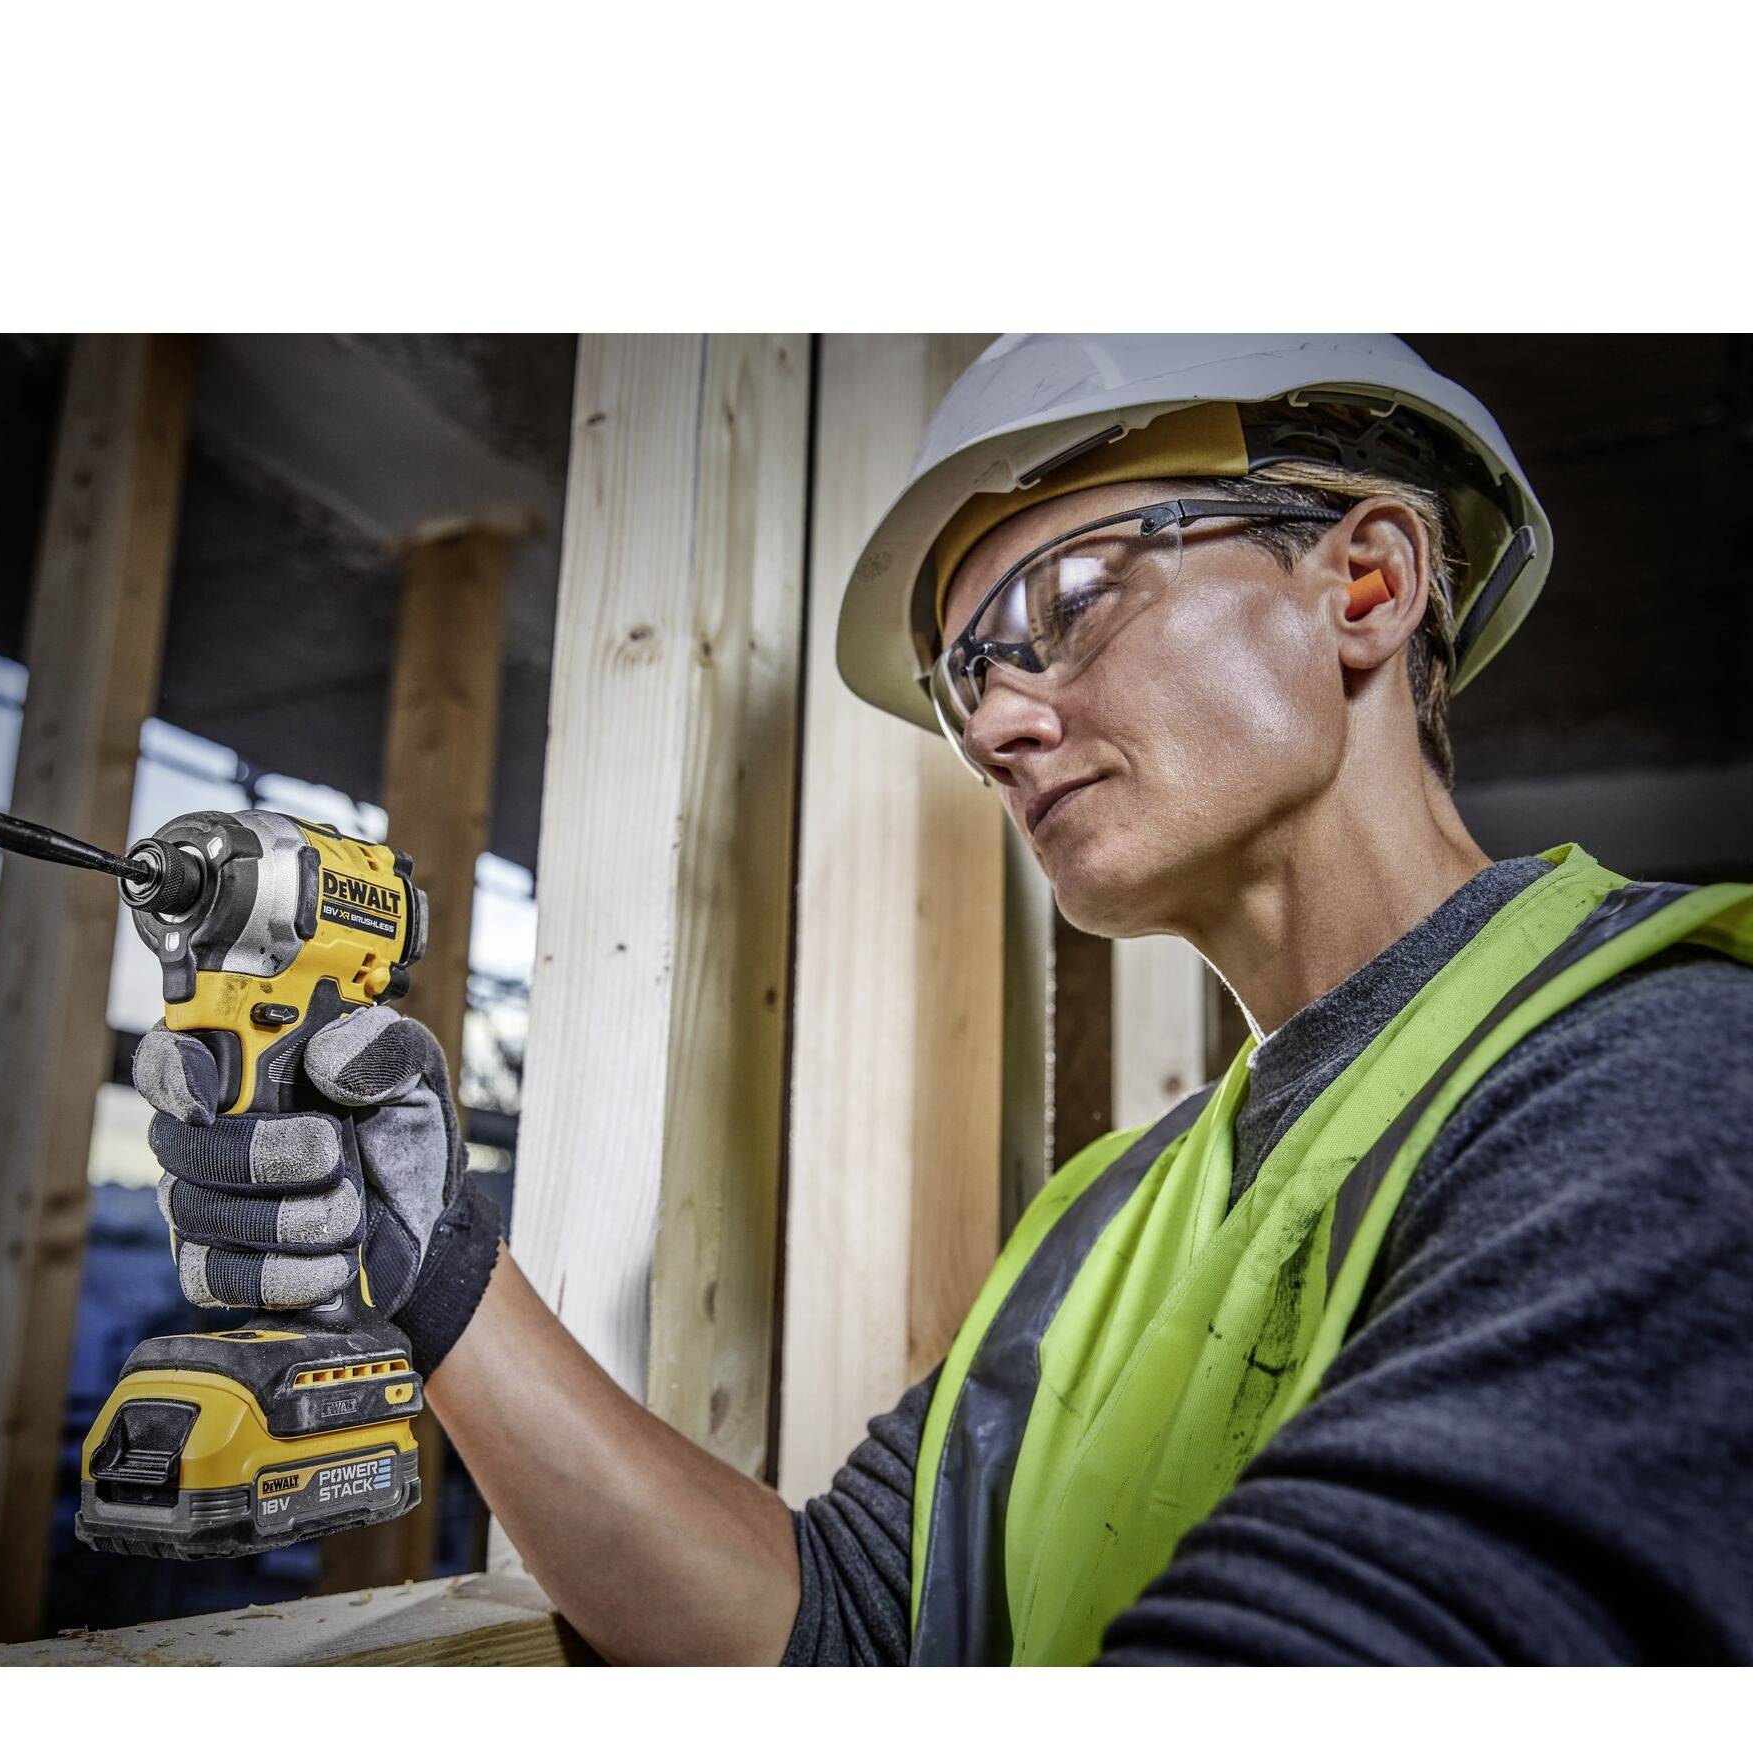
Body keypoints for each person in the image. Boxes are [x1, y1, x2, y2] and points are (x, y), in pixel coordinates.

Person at [134, 336, 1753, 1665]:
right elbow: (833, 1621)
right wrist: (439, 1273)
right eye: (968, 675)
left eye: (1062, 605)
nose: (993, 729)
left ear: (1366, 586)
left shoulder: (1666, 1081)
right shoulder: (1109, 1221)